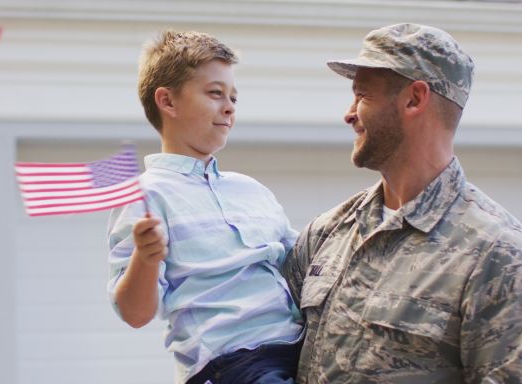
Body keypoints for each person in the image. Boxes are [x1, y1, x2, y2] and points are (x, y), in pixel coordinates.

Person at [282, 23, 522, 383]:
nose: (349, 114)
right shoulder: (326, 234)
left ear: (414, 99)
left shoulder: (497, 254)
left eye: (363, 96)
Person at [107, 30, 303, 384]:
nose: (228, 106)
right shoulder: (147, 197)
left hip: (300, 345)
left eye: (233, 97)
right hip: (231, 362)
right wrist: (146, 259)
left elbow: (299, 266)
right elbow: (135, 313)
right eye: (215, 93)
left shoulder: (252, 190)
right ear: (167, 102)